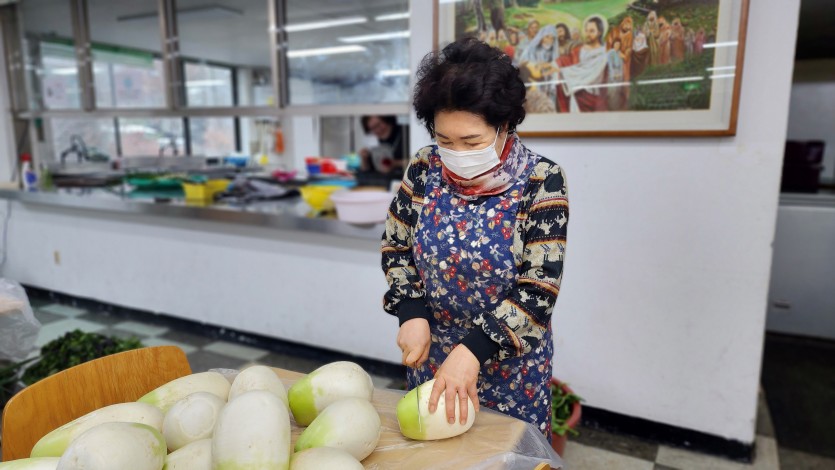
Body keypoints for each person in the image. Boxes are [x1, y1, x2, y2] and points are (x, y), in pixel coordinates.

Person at [381, 37, 569, 442]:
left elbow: (538, 289)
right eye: (445, 141)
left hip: (508, 368)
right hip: (432, 359)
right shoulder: (424, 168)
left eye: (471, 142)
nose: (456, 154)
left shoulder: (541, 181)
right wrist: (411, 311)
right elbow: (396, 246)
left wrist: (472, 351)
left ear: (504, 127)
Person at [555, 15, 610, 113]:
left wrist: (562, 71)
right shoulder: (578, 50)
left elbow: (588, 72)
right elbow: (566, 61)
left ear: (600, 32)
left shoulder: (603, 54)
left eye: (592, 31)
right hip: (576, 96)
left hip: (593, 97)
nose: (588, 34)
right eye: (586, 30)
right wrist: (554, 65)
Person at [358, 115, 408, 181]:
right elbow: (365, 171)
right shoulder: (374, 142)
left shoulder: (405, 133)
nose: (378, 130)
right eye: (373, 128)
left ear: (387, 120)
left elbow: (418, 161)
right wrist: (364, 159)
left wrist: (395, 163)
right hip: (380, 183)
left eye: (378, 125)